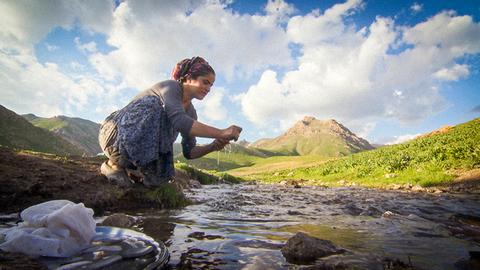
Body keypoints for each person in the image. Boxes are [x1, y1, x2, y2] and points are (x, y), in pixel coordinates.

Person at [98, 56, 242, 187]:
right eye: (205, 82)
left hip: (137, 152)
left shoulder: (191, 113)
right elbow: (179, 121)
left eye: (211, 85)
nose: (209, 89)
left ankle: (133, 169)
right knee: (155, 107)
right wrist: (223, 132)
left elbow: (189, 152)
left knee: (157, 182)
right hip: (113, 136)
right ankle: (113, 164)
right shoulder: (170, 87)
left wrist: (213, 145)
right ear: (188, 78)